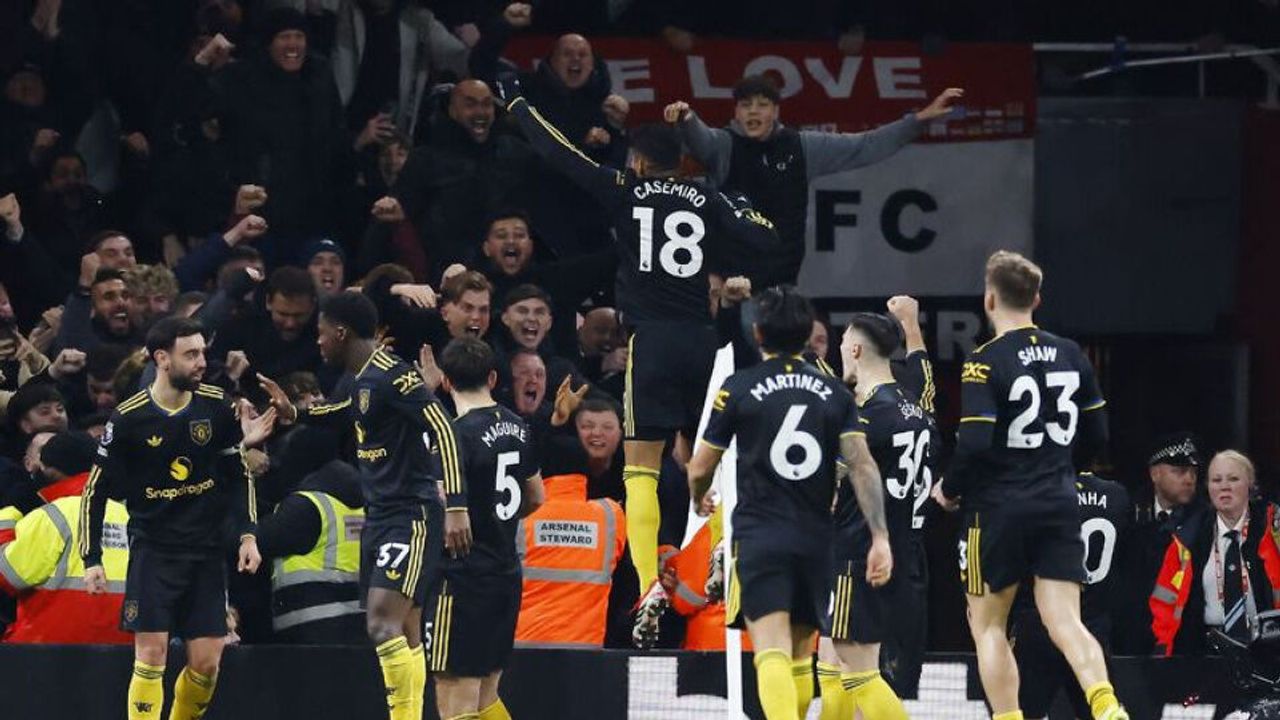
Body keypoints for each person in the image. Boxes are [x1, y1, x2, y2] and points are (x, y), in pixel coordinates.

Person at [507, 94, 763, 603]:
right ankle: (719, 561)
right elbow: (762, 236)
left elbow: (561, 155)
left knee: (641, 467)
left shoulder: (626, 188)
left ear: (640, 162)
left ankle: (649, 585)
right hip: (703, 340)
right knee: (712, 459)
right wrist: (736, 209)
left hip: (651, 341)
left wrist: (518, 106)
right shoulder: (706, 196)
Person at [257, 291, 470, 720]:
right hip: (380, 517)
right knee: (407, 629)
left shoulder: (395, 375)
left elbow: (443, 428)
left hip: (409, 516)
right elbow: (343, 410)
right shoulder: (362, 380)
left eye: (321, 333)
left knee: (379, 622)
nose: (318, 342)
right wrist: (295, 413)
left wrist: (457, 506)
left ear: (341, 332)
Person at [932, 250, 1127, 720]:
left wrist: (949, 489)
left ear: (989, 298)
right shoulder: (1071, 354)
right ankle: (1106, 704)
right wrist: (1058, 469)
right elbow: (1098, 434)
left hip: (997, 508)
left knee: (988, 626)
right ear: (1037, 299)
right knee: (1066, 620)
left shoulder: (983, 361)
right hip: (1058, 502)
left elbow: (973, 443)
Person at [685, 287, 891, 720]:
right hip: (816, 538)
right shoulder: (834, 393)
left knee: (771, 651)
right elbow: (862, 465)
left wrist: (698, 495)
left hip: (761, 534)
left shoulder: (740, 387)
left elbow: (700, 465)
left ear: (758, 333)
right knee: (800, 653)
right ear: (807, 335)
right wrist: (880, 536)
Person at [79, 316, 274, 720]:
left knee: (207, 663)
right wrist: (91, 557)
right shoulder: (128, 418)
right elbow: (94, 489)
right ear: (162, 359)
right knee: (151, 654)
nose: (201, 362)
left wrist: (248, 535)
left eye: (202, 352)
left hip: (205, 550)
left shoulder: (216, 406)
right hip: (154, 549)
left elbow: (238, 473)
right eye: (191, 354)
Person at [666, 77, 962, 285]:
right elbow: (700, 139)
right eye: (745, 105)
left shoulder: (803, 147)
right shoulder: (723, 145)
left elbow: (866, 145)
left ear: (776, 111)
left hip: (781, 285)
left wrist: (920, 119)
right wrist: (686, 118)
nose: (753, 111)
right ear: (736, 112)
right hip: (728, 283)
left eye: (762, 104)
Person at [816, 307, 939, 719]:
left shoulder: (864, 419)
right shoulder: (917, 407)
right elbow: (923, 374)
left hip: (860, 553)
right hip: (908, 554)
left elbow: (829, 490)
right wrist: (912, 325)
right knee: (832, 659)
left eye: (842, 346)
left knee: (859, 672)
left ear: (854, 350)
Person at [431, 337, 544, 720]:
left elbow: (439, 507)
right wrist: (498, 520)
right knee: (486, 695)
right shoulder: (518, 426)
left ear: (446, 382)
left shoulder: (452, 436)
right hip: (505, 572)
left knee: (455, 697)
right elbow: (536, 496)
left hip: (461, 577)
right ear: (493, 378)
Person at [1012, 471, 1131, 720]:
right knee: (1101, 709)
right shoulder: (1116, 495)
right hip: (1091, 631)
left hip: (1039, 626)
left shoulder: (1033, 492)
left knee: (1020, 712)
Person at [1150, 450, 1280, 656]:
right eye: (1216, 480)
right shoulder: (1187, 539)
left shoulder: (1272, 529)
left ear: (1250, 484)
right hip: (1206, 652)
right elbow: (1165, 603)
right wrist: (1163, 652)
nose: (1224, 486)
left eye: (1233, 479)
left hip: (1269, 649)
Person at [257, 458, 366, 645]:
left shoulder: (306, 508)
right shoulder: (366, 508)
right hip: (361, 627)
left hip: (310, 630)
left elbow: (259, 540)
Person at [1115, 433, 1201, 654]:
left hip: (1183, 640)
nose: (1189, 479)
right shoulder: (1128, 513)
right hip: (1131, 637)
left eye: (1193, 472)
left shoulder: (1203, 519)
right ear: (1155, 474)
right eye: (1179, 471)